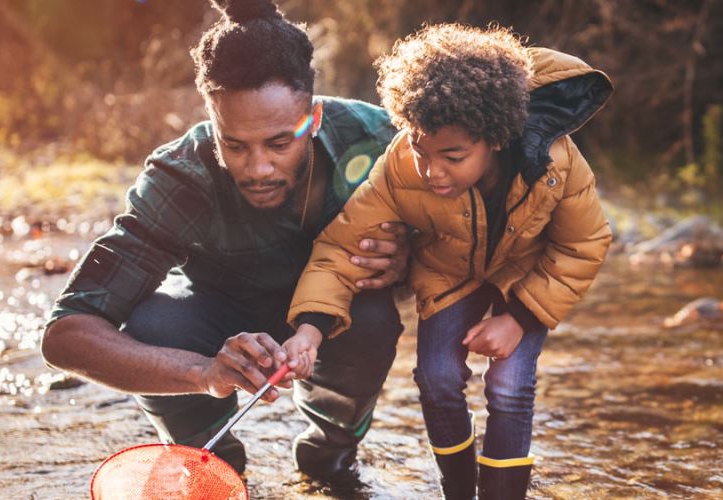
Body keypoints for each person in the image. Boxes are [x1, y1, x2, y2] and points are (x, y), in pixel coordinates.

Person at [39, 0, 409, 482]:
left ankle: (329, 452)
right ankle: (215, 468)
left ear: (313, 117)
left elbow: (475, 230)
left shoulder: (378, 139)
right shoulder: (180, 175)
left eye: (280, 143)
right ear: (211, 119)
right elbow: (65, 336)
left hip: (336, 318)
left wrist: (408, 259)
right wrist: (202, 373)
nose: (257, 168)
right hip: (214, 316)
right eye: (234, 144)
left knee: (375, 315)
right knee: (154, 322)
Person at [282, 24, 614, 499]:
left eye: (453, 156)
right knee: (436, 379)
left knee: (510, 385)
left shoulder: (555, 164)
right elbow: (341, 246)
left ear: (496, 139)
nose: (431, 171)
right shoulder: (400, 166)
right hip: (448, 273)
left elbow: (585, 243)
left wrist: (518, 318)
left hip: (525, 277)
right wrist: (311, 328)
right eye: (421, 151)